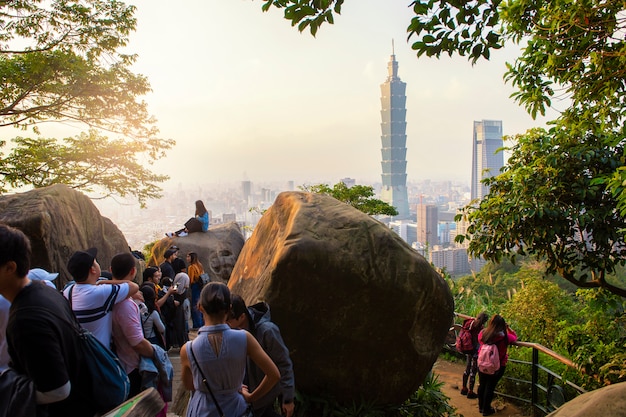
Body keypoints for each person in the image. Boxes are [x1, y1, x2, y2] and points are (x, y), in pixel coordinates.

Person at [0, 224, 98, 416]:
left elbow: (57, 390)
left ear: (10, 267)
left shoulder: (25, 319)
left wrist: (7, 387)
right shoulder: (45, 292)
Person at [181, 282, 280, 417]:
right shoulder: (244, 338)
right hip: (236, 409)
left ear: (200, 307)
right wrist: (251, 397)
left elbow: (189, 385)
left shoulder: (188, 349)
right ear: (229, 308)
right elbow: (274, 374)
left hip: (202, 411)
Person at [228, 295, 296, 417]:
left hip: (264, 397)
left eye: (228, 320)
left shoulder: (267, 331)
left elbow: (283, 364)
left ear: (242, 316)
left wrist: (288, 399)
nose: (225, 324)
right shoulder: (234, 331)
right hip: (244, 398)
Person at [63, 247, 139, 349]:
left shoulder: (68, 291)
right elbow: (134, 287)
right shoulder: (99, 293)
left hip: (80, 353)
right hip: (99, 355)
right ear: (93, 270)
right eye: (96, 262)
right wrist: (103, 282)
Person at [110, 252, 155, 397]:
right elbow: (137, 343)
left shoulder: (105, 296)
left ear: (111, 270)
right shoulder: (125, 305)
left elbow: (99, 282)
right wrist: (156, 354)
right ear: (133, 271)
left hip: (117, 365)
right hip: (131, 367)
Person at [477, 314, 517, 416]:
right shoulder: (505, 337)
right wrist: (508, 328)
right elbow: (515, 336)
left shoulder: (483, 334)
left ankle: (481, 407)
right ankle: (486, 410)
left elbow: (479, 340)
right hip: (497, 366)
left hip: (482, 363)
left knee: (482, 384)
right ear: (502, 325)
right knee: (490, 387)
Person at [460, 312, 489, 399]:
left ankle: (464, 388)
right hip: (476, 350)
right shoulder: (481, 328)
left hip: (468, 347)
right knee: (473, 371)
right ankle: (470, 391)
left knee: (467, 369)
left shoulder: (471, 323)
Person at [139, 284, 166, 348]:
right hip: (152, 339)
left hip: (140, 339)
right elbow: (162, 329)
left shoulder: (136, 309)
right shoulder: (153, 313)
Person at [171, 257, 190, 347]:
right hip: (180, 305)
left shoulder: (178, 277)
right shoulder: (183, 277)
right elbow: (179, 290)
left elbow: (176, 289)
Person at [186, 252, 205, 329]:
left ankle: (197, 324)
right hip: (200, 285)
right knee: (200, 304)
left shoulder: (191, 267)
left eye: (188, 257)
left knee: (195, 305)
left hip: (195, 286)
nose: (187, 258)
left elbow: (191, 279)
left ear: (192, 258)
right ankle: (202, 322)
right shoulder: (199, 265)